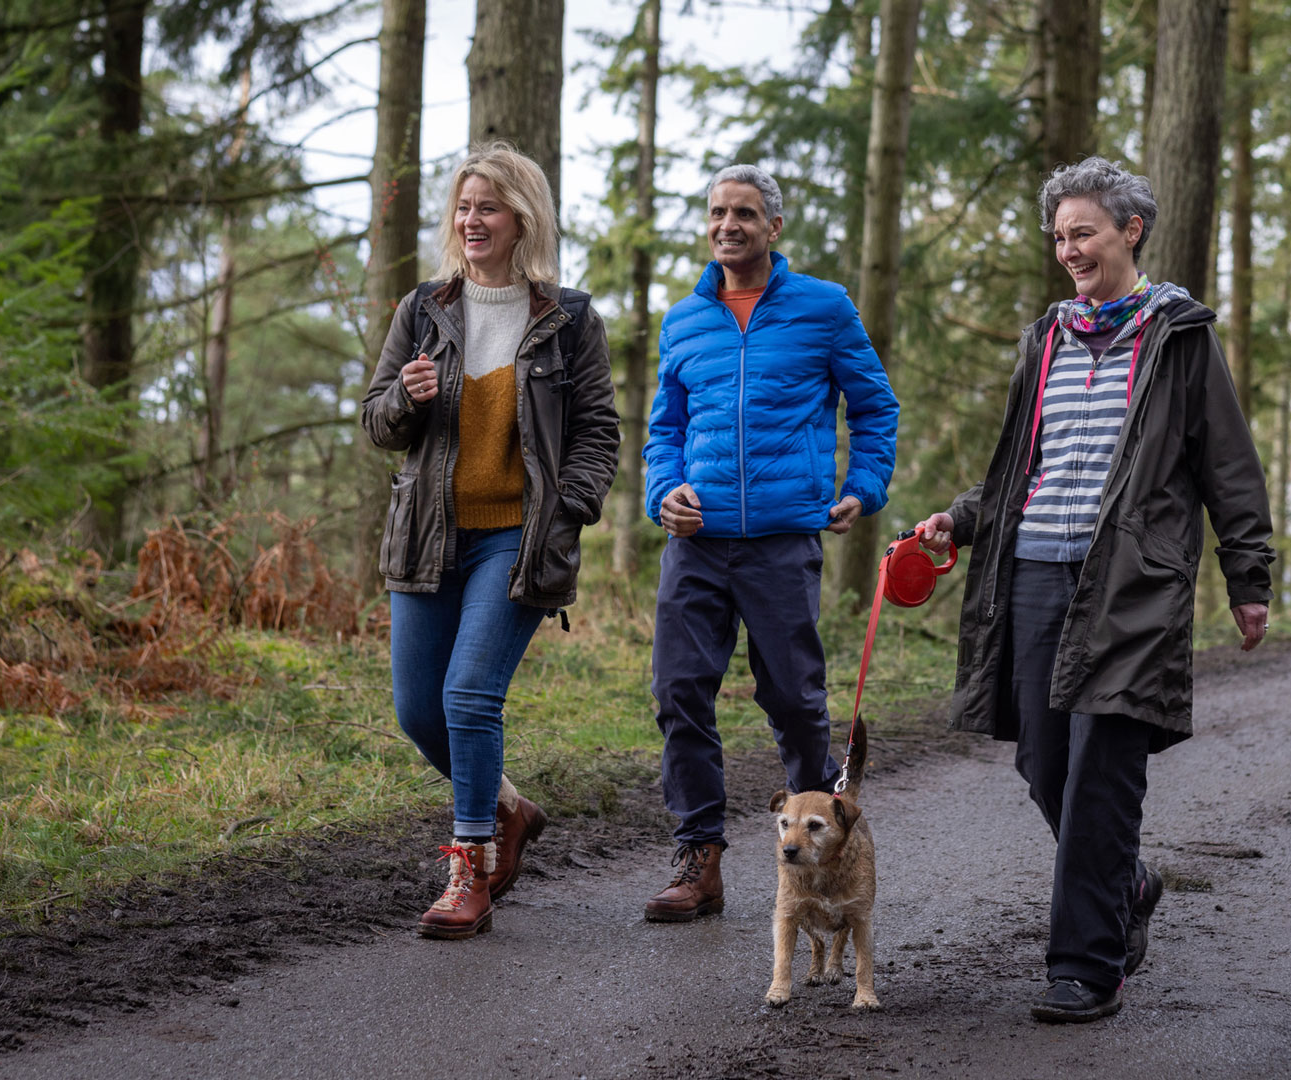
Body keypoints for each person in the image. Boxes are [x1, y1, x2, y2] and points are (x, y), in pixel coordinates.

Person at [911, 156, 1274, 1023]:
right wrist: (961, 518)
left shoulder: (1178, 336)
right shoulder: (1046, 337)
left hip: (1131, 581)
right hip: (1035, 567)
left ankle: (1085, 967)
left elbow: (1228, 465)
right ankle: (1128, 884)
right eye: (1060, 237)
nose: (1070, 250)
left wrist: (1248, 576)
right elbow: (1021, 463)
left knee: (1101, 772)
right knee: (1044, 762)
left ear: (1130, 231)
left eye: (1085, 233)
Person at [359, 144, 620, 939]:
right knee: (419, 712)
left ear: (522, 219)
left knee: (469, 695)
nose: (472, 220)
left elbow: (598, 432)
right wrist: (404, 400)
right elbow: (376, 422)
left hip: (515, 537)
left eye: (489, 207)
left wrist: (567, 510)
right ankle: (508, 807)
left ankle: (467, 871)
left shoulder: (568, 320)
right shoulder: (423, 310)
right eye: (465, 207)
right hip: (429, 538)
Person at [641, 164, 899, 922]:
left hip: (783, 542)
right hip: (697, 543)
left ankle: (824, 850)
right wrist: (664, 491)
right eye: (718, 212)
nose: (729, 225)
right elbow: (665, 429)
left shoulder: (824, 307)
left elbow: (875, 407)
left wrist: (863, 487)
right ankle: (699, 857)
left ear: (773, 227)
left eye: (745, 213)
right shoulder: (684, 320)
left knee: (793, 699)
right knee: (679, 690)